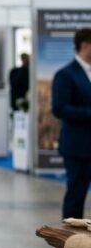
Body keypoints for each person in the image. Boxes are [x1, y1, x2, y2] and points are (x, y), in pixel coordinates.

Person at [52, 29, 91, 219]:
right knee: (76, 195)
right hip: (78, 147)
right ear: (84, 45)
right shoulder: (66, 75)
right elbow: (59, 108)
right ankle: (69, 241)